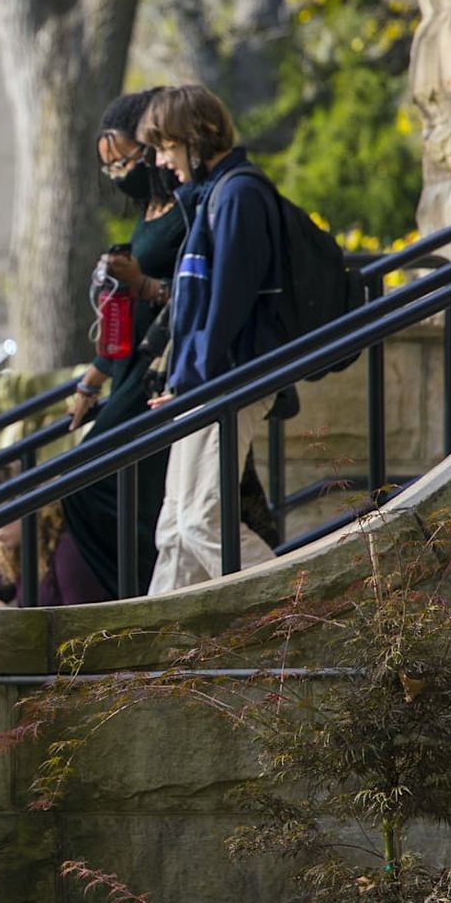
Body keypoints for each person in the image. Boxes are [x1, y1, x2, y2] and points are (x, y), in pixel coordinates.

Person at [138, 84, 296, 592]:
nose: (164, 163)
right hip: (205, 382)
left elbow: (227, 306)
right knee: (176, 528)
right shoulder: (212, 197)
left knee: (203, 521)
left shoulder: (239, 195)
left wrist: (196, 382)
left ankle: (299, 602)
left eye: (166, 147)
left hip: (230, 381)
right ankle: (151, 653)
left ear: (196, 137)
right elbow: (197, 313)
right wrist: (183, 382)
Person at [58, 87, 189, 600]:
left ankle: (142, 592)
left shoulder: (186, 208)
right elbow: (124, 314)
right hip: (130, 366)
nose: (119, 174)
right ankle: (137, 591)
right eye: (109, 167)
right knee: (88, 484)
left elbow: (194, 293)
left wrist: (143, 284)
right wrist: (93, 378)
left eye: (126, 160)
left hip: (163, 366)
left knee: (95, 483)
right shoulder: (148, 211)